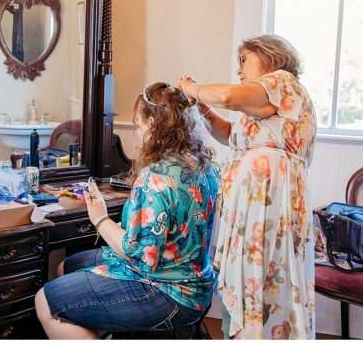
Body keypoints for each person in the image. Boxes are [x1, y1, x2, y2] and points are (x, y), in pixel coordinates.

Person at [35, 82, 220, 338]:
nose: (137, 132)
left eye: (138, 125)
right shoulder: (206, 167)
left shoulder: (155, 179)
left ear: (153, 124)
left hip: (169, 291)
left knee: (44, 300)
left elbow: (140, 254)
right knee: (66, 267)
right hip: (198, 281)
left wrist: (100, 218)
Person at [180, 34, 316, 339]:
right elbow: (230, 135)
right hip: (252, 210)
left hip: (269, 206)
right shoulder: (264, 103)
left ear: (269, 57)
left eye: (244, 60)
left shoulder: (282, 83)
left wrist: (193, 89)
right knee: (246, 283)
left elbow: (228, 96)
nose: (239, 69)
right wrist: (201, 107)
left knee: (264, 282)